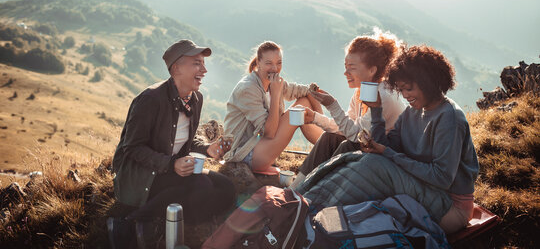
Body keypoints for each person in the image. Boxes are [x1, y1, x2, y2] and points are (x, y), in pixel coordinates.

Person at [305, 45, 479, 234]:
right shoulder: (413, 111)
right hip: (424, 189)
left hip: (450, 208)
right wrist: (376, 112)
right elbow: (388, 145)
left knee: (373, 165)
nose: (405, 95)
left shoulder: (449, 118)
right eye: (402, 89)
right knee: (353, 152)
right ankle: (306, 200)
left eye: (409, 89)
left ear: (428, 82)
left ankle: (313, 217)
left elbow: (442, 178)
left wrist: (387, 153)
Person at [108, 39, 236, 249]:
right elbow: (131, 148)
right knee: (200, 185)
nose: (204, 70)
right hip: (143, 173)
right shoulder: (150, 99)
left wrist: (207, 149)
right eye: (197, 63)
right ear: (176, 68)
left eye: (204, 64)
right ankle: (128, 224)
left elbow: (188, 138)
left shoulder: (196, 98)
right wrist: (171, 164)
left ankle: (174, 218)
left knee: (227, 188)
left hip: (174, 169)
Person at [290, 29, 406, 188]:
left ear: (372, 70)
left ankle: (315, 191)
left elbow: (355, 136)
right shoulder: (360, 92)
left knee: (347, 146)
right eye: (345, 66)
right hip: (369, 149)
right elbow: (345, 127)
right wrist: (315, 118)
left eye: (352, 67)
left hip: (389, 161)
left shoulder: (384, 96)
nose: (346, 73)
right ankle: (294, 189)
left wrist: (332, 105)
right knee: (329, 138)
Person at [223, 41, 324, 173]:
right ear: (258, 63)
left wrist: (320, 118)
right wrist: (276, 95)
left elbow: (308, 91)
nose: (275, 69)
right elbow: (269, 133)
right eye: (268, 63)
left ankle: (328, 144)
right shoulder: (248, 88)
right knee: (299, 109)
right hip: (244, 154)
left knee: (304, 102)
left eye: (279, 63)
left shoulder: (274, 82)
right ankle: (328, 146)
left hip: (261, 147)